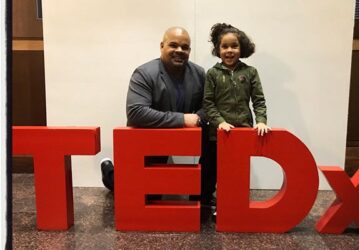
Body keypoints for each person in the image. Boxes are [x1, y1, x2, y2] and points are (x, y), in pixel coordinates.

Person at [101, 27, 215, 206]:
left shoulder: (199, 73)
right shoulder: (144, 73)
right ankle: (109, 172)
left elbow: (209, 106)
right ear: (162, 46)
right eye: (173, 45)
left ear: (189, 51)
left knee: (213, 138)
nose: (179, 51)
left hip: (182, 136)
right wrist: (182, 119)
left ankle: (203, 193)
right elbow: (136, 112)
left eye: (185, 47)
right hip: (148, 140)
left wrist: (199, 118)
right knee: (140, 192)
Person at [202, 23, 269, 208]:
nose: (229, 51)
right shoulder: (212, 74)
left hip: (243, 131)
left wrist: (261, 121)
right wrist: (220, 122)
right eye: (225, 46)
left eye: (234, 46)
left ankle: (235, 205)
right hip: (219, 134)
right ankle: (215, 204)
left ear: (242, 48)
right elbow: (208, 103)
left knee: (238, 171)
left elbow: (259, 100)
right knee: (217, 170)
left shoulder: (250, 72)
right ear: (218, 49)